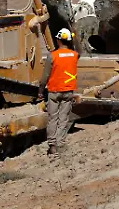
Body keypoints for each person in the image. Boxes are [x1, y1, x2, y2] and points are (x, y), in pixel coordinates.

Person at [37, 28, 79, 156]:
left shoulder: (52, 55)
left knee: (53, 119)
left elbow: (45, 76)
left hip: (54, 91)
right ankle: (60, 143)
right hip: (68, 91)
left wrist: (40, 91)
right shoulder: (74, 55)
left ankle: (52, 146)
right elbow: (77, 51)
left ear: (58, 40)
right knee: (63, 119)